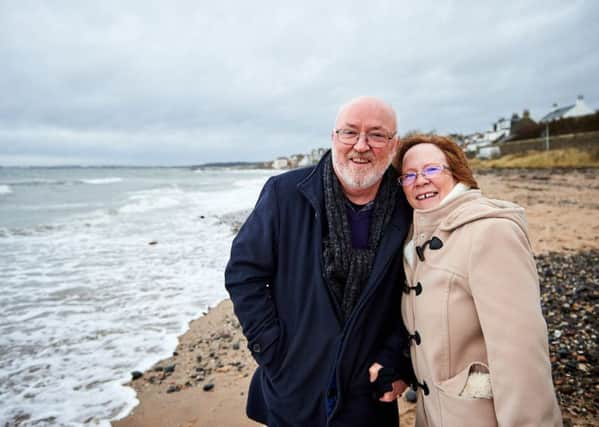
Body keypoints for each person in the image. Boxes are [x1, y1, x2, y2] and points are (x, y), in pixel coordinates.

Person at [225, 96, 415, 426]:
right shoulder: (285, 194)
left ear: (394, 144)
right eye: (350, 132)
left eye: (377, 135)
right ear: (333, 138)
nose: (361, 145)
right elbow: (244, 272)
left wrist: (397, 361)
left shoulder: (407, 206)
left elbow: (414, 292)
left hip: (368, 392)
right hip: (295, 385)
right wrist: (272, 348)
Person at [395, 134, 563, 426]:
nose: (420, 180)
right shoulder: (413, 241)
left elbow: (521, 357)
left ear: (458, 173)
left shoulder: (490, 233)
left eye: (432, 169)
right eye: (408, 175)